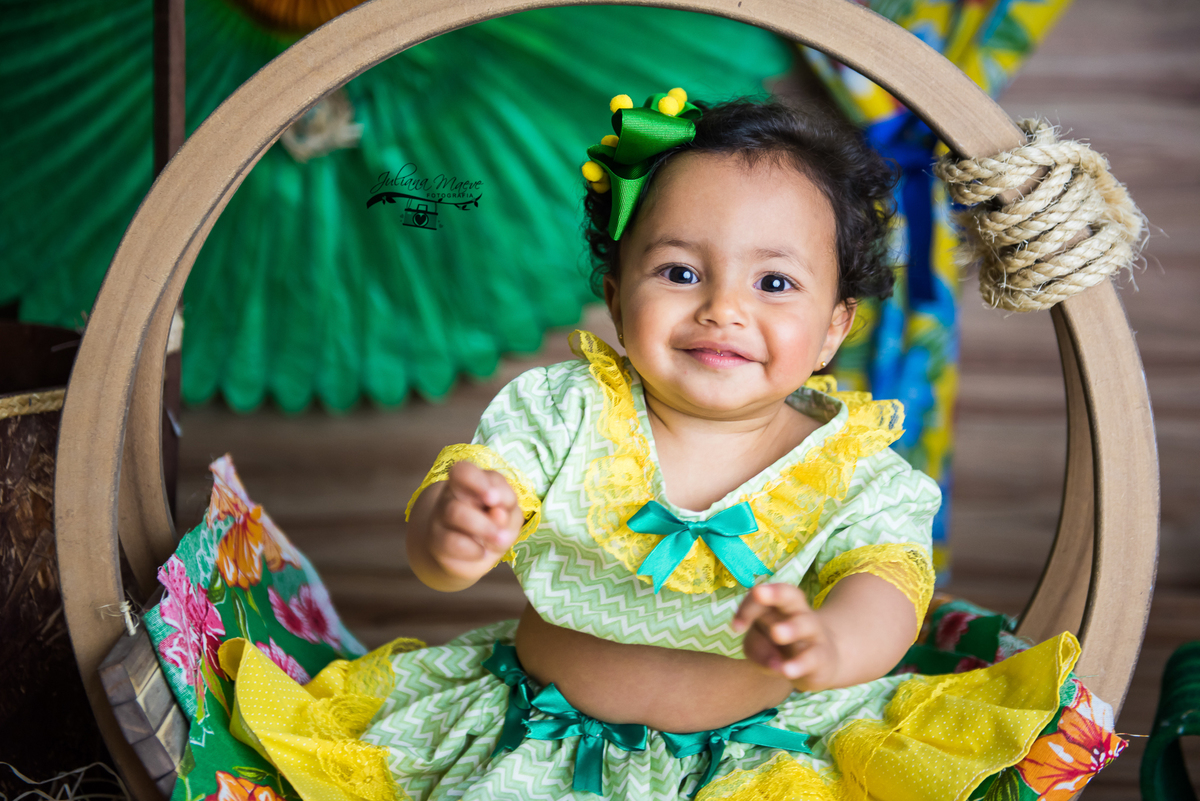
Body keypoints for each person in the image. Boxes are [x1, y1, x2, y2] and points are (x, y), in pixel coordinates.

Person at [223, 92, 1094, 801]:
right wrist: (451, 532)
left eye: (775, 282)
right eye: (680, 271)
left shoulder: (857, 468)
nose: (722, 307)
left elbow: (887, 589)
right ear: (614, 291)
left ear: (834, 330)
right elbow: (456, 526)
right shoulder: (564, 409)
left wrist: (827, 641)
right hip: (532, 745)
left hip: (759, 767)